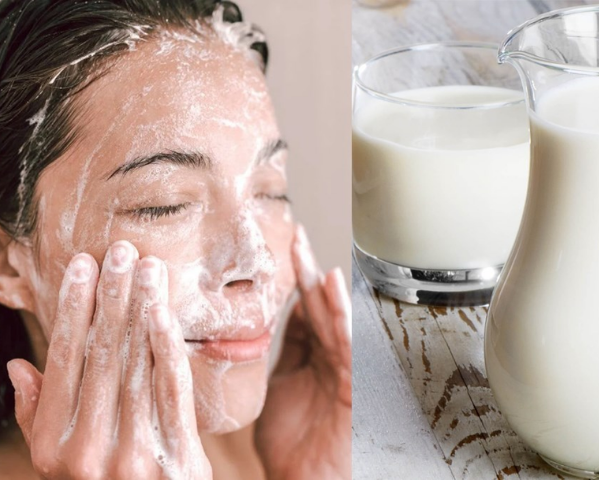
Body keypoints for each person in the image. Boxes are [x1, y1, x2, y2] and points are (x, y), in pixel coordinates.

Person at [0, 0, 352, 478]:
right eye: (164, 204)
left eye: (270, 191)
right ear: (8, 263)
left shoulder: (265, 448)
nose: (259, 261)